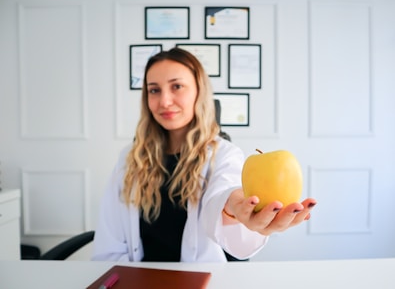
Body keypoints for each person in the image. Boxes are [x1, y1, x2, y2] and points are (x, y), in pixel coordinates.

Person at [92, 47, 316, 262]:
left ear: (199, 91)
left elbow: (223, 195)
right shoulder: (129, 158)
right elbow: (109, 240)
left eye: (177, 86)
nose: (164, 101)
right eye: (154, 90)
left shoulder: (224, 154)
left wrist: (233, 208)